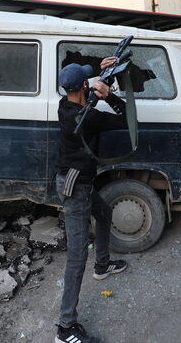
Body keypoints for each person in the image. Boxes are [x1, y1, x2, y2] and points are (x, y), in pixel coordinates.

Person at [54, 58, 129, 343]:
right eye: (88, 80)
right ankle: (65, 328)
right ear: (83, 86)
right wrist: (111, 95)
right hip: (76, 187)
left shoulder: (67, 104)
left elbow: (85, 101)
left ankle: (103, 265)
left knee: (105, 213)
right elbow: (122, 117)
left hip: (75, 180)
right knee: (76, 255)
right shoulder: (86, 117)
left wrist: (103, 73)